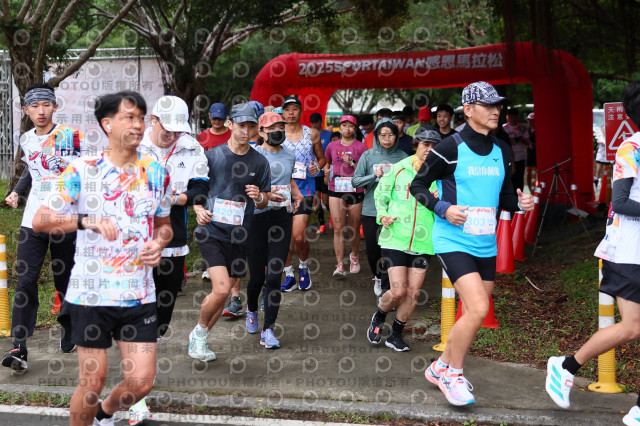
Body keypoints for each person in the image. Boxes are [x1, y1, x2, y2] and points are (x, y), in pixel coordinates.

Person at [32, 90, 173, 425]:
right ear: (107, 124)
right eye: (129, 117)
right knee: (92, 383)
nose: (138, 125)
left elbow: (164, 226)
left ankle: (104, 413)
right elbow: (41, 220)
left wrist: (159, 243)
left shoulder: (157, 173)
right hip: (90, 294)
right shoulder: (82, 170)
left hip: (138, 294)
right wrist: (86, 220)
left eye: (141, 118)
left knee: (141, 382)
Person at [410, 81, 533, 406]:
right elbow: (417, 186)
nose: (496, 111)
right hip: (452, 239)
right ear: (468, 110)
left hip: (485, 242)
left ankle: (439, 366)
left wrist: (521, 203)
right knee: (479, 308)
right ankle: (453, 374)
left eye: (498, 105)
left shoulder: (502, 149)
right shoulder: (449, 148)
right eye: (488, 105)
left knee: (473, 312)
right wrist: (443, 208)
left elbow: (504, 196)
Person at [544, 81, 640, 426]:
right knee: (631, 328)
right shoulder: (631, 148)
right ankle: (566, 366)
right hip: (628, 251)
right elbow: (620, 202)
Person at [130, 96, 209, 423]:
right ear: (154, 120)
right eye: (167, 129)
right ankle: (136, 394)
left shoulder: (191, 148)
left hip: (171, 241)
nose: (172, 135)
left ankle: (151, 340)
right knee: (138, 313)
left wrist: (176, 198)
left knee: (162, 309)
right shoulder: (133, 144)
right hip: (133, 240)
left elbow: (201, 189)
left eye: (178, 130)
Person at [2, 84, 84, 373]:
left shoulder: (69, 136)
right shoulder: (26, 138)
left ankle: (69, 326)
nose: (41, 111)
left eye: (46, 105)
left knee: (65, 279)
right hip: (33, 220)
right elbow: (31, 168)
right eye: (35, 106)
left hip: (64, 219)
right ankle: (19, 346)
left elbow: (80, 173)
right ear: (26, 110)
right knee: (26, 280)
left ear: (54, 107)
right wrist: (17, 192)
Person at [189, 103, 270, 361]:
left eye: (251, 126)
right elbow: (195, 190)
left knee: (221, 296)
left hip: (239, 235)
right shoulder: (212, 157)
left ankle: (200, 338)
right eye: (241, 125)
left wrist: (260, 197)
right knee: (223, 289)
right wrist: (198, 208)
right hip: (211, 231)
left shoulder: (260, 161)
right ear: (230, 124)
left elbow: (264, 200)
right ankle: (199, 332)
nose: (246, 131)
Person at [367, 126, 439, 351]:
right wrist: (383, 215)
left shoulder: (439, 175)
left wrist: (441, 198)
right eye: (425, 144)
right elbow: (380, 195)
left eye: (434, 146)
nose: (429, 149)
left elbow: (447, 205)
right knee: (398, 291)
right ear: (416, 144)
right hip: (395, 236)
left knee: (413, 293)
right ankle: (379, 316)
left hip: (423, 240)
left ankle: (395, 335)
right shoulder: (398, 168)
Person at [246, 112, 303, 348]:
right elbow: (246, 187)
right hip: (256, 219)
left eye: (280, 127)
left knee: (274, 276)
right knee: (257, 277)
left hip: (281, 218)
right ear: (261, 131)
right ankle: (251, 308)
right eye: (271, 128)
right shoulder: (252, 156)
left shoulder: (289, 154)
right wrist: (266, 195)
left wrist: (297, 193)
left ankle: (268, 329)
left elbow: (288, 179)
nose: (277, 131)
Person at [353, 119, 407, 298]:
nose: (387, 139)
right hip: (372, 210)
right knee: (373, 249)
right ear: (376, 136)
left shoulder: (403, 157)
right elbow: (355, 181)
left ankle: (387, 284)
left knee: (391, 250)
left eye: (391, 135)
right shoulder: (368, 156)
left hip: (395, 212)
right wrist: (373, 176)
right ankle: (378, 277)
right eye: (383, 135)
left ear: (397, 136)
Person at [280, 95, 326, 291]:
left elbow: (322, 159)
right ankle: (289, 274)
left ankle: (304, 267)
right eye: (287, 109)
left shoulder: (311, 134)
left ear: (300, 111)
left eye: (295, 109)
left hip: (305, 188)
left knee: (299, 235)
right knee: (283, 237)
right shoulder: (276, 133)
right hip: (281, 189)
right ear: (283, 112)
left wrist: (317, 167)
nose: (291, 113)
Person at [324, 115, 367, 276]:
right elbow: (326, 162)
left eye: (351, 126)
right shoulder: (332, 146)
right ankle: (340, 264)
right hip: (336, 189)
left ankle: (354, 256)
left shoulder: (361, 147)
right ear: (340, 127)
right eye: (344, 125)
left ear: (355, 128)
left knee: (354, 228)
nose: (347, 129)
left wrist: (352, 163)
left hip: (355, 189)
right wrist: (326, 171)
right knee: (338, 228)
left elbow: (365, 170)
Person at [310, 112, 332, 235]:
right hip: (314, 173)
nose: (314, 125)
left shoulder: (328, 135)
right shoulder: (308, 135)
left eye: (316, 122)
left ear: (321, 122)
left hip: (326, 171)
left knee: (326, 201)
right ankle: (322, 224)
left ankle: (333, 216)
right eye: (312, 123)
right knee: (316, 201)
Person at [503, 108, 530, 192]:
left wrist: (521, 139)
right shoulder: (504, 128)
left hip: (520, 156)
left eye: (514, 117)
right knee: (509, 178)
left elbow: (528, 142)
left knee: (519, 178)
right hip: (508, 156)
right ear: (507, 117)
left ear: (517, 116)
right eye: (510, 117)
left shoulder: (522, 127)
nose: (512, 119)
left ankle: (519, 195)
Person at [525, 112, 537, 191]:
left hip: (537, 154)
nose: (530, 122)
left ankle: (537, 190)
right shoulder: (527, 130)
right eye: (529, 120)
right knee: (528, 172)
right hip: (529, 154)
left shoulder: (539, 130)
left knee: (537, 173)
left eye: (532, 120)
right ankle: (530, 190)